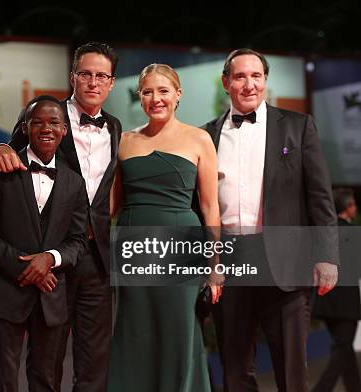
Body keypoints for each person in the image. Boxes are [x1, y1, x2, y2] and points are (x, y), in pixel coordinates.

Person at [0, 42, 122, 391]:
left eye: (101, 76)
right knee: (47, 359)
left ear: (111, 82)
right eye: (86, 74)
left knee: (95, 360)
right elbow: (12, 148)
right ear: (73, 77)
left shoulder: (115, 127)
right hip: (50, 258)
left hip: (96, 256)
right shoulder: (48, 115)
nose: (93, 82)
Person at [204, 48, 339, 391]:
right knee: (235, 369)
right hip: (230, 261)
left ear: (265, 80)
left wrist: (327, 256)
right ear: (226, 82)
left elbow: (320, 197)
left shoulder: (298, 126)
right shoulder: (206, 136)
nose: (249, 84)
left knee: (291, 370)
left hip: (287, 261)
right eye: (240, 76)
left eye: (256, 76)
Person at [108, 64, 221, 391]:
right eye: (147, 92)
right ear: (139, 96)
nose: (155, 98)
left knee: (178, 330)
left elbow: (210, 207)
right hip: (132, 248)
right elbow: (112, 207)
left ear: (178, 95)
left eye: (163, 91)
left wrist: (215, 266)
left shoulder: (199, 139)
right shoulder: (126, 141)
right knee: (134, 332)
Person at [0, 95, 88, 392]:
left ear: (64, 130)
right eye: (38, 122)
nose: (46, 128)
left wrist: (49, 259)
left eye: (54, 122)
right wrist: (22, 266)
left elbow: (77, 241)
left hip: (51, 295)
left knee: (47, 380)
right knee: (3, 381)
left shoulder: (75, 182)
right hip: (5, 289)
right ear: (25, 127)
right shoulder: (1, 168)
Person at [312, 188, 360, 392]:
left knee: (344, 348)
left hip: (326, 301)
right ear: (349, 207)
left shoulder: (327, 232)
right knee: (341, 348)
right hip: (347, 304)